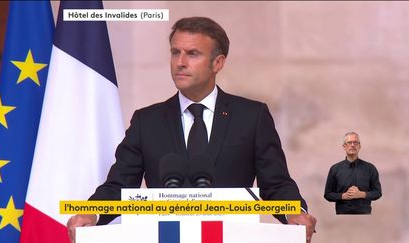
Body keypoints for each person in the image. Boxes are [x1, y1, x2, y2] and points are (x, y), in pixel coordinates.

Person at [67, 16, 316, 242]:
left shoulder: (252, 116)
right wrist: (93, 213)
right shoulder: (147, 121)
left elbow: (276, 184)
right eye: (175, 52)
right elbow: (119, 185)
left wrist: (296, 214)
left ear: (217, 62)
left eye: (192, 53)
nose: (180, 62)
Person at [324, 132, 382, 214]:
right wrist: (343, 196)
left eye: (355, 142)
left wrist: (361, 194)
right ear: (344, 146)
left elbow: (378, 193)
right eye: (349, 142)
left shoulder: (370, 168)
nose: (352, 145)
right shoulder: (335, 169)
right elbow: (327, 194)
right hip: (341, 217)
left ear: (359, 146)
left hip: (365, 217)